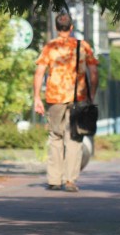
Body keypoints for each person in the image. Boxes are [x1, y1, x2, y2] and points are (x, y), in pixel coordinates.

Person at [33, 12, 99, 192]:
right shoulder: (83, 46)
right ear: (71, 27)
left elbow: (39, 72)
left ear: (56, 27)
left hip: (55, 98)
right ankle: (70, 180)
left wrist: (37, 97)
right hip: (78, 97)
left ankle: (54, 179)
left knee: (55, 136)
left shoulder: (50, 47)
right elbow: (93, 73)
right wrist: (91, 93)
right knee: (74, 137)